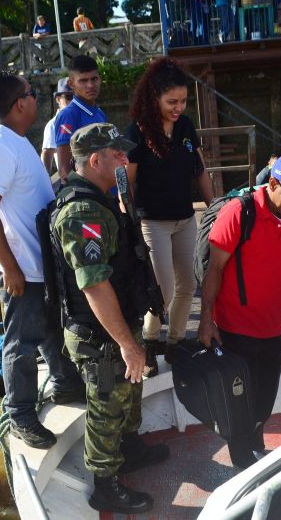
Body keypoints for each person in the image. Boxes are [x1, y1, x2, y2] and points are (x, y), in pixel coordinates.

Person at [52, 123, 170, 514]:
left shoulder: (103, 200)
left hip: (119, 320)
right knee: (107, 404)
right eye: (117, 154)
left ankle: (130, 449)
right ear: (96, 159)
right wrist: (126, 343)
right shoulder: (82, 211)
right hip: (99, 332)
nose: (125, 158)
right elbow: (94, 284)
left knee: (129, 391)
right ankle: (105, 484)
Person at [0, 70, 85, 449]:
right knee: (21, 342)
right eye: (33, 93)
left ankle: (65, 382)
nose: (37, 99)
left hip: (40, 264)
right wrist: (10, 268)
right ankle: (20, 412)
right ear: (20, 103)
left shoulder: (16, 140)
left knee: (50, 326)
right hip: (20, 267)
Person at [198, 151, 281, 469]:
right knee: (238, 404)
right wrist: (206, 321)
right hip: (234, 328)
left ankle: (253, 447)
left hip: (273, 327)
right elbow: (214, 269)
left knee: (264, 402)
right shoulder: (238, 214)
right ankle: (243, 461)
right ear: (273, 184)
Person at [125, 57, 214, 371]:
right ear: (154, 98)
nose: (178, 108)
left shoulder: (186, 126)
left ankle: (175, 344)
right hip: (152, 222)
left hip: (185, 219)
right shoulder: (136, 132)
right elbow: (127, 183)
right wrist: (130, 225)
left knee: (189, 284)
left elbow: (199, 170)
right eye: (171, 102)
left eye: (183, 101)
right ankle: (149, 342)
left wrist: (213, 209)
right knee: (162, 290)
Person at [54, 55, 106, 182]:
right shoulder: (68, 115)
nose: (90, 85)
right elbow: (64, 169)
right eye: (83, 81)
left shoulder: (100, 113)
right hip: (89, 196)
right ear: (71, 84)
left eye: (94, 79)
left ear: (99, 79)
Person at [41, 77, 73, 174]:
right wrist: (46, 181)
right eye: (69, 97)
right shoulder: (53, 124)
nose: (73, 101)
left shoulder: (81, 116)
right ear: (58, 99)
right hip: (70, 181)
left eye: (76, 97)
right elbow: (47, 154)